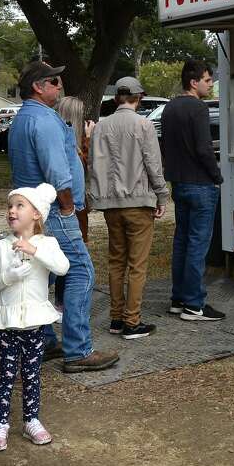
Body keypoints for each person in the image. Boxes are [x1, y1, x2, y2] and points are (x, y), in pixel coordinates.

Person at [8, 60, 118, 373]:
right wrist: (68, 206)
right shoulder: (44, 120)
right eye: (54, 82)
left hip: (33, 211)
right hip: (54, 211)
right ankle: (78, 350)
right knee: (81, 272)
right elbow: (57, 172)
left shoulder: (23, 119)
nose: (60, 86)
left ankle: (44, 341)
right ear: (37, 87)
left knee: (43, 275)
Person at [0, 184, 69, 452]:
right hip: (7, 324)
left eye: (20, 205)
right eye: (10, 206)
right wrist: (9, 276)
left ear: (36, 215)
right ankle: (0, 424)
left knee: (32, 374)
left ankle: (31, 419)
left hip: (34, 324)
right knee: (6, 375)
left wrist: (33, 250)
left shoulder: (47, 244)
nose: (12, 210)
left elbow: (63, 267)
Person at [87, 76, 169, 339]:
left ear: (117, 98)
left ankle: (116, 318)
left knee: (116, 262)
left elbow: (93, 165)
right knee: (137, 264)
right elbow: (153, 165)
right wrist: (162, 195)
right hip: (138, 201)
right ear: (139, 97)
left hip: (111, 204)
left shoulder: (100, 127)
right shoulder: (143, 125)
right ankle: (132, 322)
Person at [161, 60, 226, 321]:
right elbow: (204, 148)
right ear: (193, 82)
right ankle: (194, 304)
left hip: (179, 183)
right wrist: (217, 176)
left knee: (182, 242)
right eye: (208, 80)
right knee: (198, 245)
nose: (211, 85)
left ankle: (178, 298)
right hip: (201, 184)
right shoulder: (198, 108)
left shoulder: (168, 108)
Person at [55, 95, 94, 241]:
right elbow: (84, 166)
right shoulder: (66, 144)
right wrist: (88, 139)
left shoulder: (67, 142)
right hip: (72, 208)